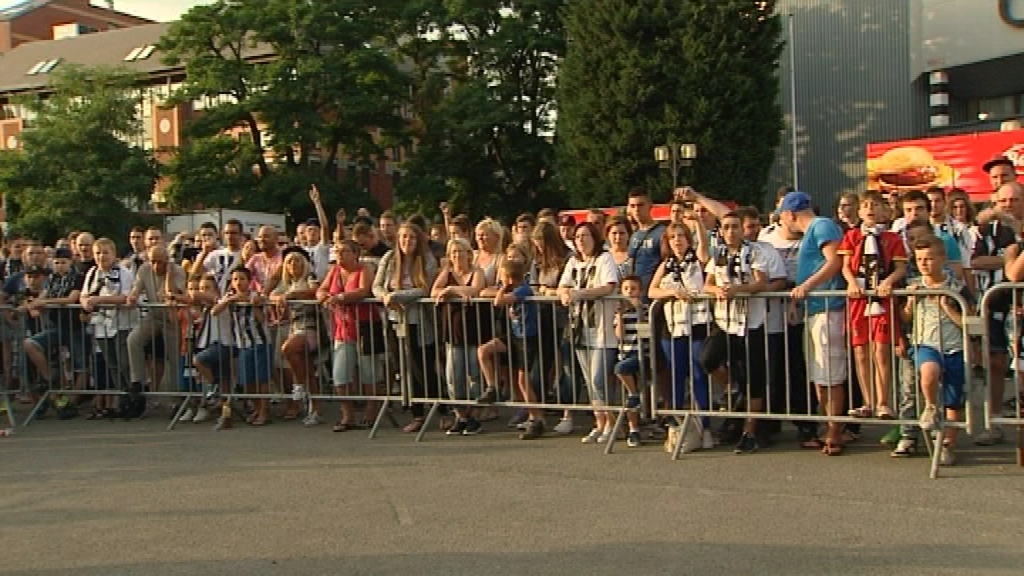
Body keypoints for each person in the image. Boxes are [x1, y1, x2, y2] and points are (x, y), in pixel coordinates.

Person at [777, 191, 847, 456]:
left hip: (828, 308)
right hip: (814, 308)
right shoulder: (813, 231)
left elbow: (834, 261)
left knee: (831, 373)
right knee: (819, 374)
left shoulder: (822, 226)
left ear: (790, 214)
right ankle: (829, 424)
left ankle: (835, 430)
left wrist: (806, 287)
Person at [701, 212, 770, 454]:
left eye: (735, 227)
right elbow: (707, 283)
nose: (730, 232)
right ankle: (731, 387)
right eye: (726, 227)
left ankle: (749, 432)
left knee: (754, 378)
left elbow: (761, 282)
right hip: (725, 321)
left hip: (750, 322)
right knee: (707, 359)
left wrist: (739, 289)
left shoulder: (755, 252)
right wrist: (717, 290)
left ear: (742, 229)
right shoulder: (718, 254)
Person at [902, 235, 973, 466]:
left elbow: (968, 320)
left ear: (942, 259)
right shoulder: (914, 285)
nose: (924, 263)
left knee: (953, 402)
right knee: (929, 372)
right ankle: (931, 406)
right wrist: (911, 302)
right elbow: (904, 318)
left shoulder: (956, 287)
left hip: (953, 348)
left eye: (930, 258)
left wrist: (946, 306)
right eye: (920, 259)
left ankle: (947, 445)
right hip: (926, 344)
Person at [839, 191, 907, 421]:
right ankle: (867, 401)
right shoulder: (851, 236)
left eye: (876, 205)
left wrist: (888, 282)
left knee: (881, 350)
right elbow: (846, 266)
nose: (870, 209)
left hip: (882, 299)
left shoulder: (892, 239)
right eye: (866, 205)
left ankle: (883, 402)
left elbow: (900, 268)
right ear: (859, 211)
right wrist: (850, 283)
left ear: (885, 211)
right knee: (861, 351)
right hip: (859, 299)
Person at [559, 221, 620, 444]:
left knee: (599, 379)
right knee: (588, 379)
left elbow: (608, 287)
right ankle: (600, 422)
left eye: (585, 236)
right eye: (577, 237)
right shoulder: (573, 262)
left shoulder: (605, 259)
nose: (581, 241)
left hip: (602, 328)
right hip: (580, 327)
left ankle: (612, 422)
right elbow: (563, 285)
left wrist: (582, 294)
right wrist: (565, 293)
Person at [431, 238, 486, 435]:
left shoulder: (476, 271)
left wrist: (452, 290)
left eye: (461, 251)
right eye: (453, 252)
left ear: (469, 254)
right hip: (452, 332)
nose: (457, 256)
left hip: (473, 331)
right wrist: (446, 289)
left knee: (474, 375)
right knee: (453, 376)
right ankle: (460, 415)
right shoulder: (447, 272)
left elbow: (476, 289)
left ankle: (474, 416)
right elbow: (434, 291)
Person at [612, 275, 646, 447]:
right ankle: (634, 430)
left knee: (620, 369)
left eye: (633, 289)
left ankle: (635, 396)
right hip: (625, 353)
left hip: (641, 354)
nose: (629, 292)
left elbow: (646, 332)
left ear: (640, 292)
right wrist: (620, 317)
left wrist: (639, 312)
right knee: (629, 397)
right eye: (626, 289)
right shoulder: (620, 313)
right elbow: (619, 335)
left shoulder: (646, 309)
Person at [625, 187, 665, 295]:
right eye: (633, 206)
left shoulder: (662, 233)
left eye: (640, 205)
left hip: (654, 292)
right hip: (636, 293)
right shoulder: (634, 235)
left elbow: (667, 263)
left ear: (650, 205)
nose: (636, 210)